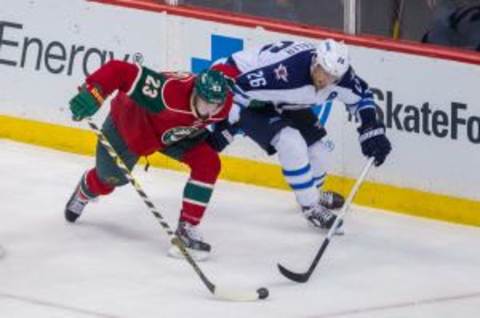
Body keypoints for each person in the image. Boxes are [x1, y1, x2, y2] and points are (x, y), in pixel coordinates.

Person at [208, 39, 392, 231]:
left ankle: (313, 193)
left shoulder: (340, 75)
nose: (326, 82)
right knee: (290, 142)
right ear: (315, 62)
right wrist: (226, 123)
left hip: (283, 98)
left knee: (319, 152)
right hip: (246, 93)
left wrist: (371, 128)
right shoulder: (285, 74)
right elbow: (236, 89)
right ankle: (311, 207)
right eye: (324, 73)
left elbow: (362, 96)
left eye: (333, 78)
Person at [65, 59, 238, 260]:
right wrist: (94, 92)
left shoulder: (223, 102)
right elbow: (119, 70)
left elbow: (237, 77)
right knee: (111, 180)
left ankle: (187, 229)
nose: (209, 111)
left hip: (173, 134)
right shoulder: (166, 92)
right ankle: (86, 188)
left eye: (215, 105)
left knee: (208, 163)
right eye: (205, 103)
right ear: (195, 92)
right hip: (129, 128)